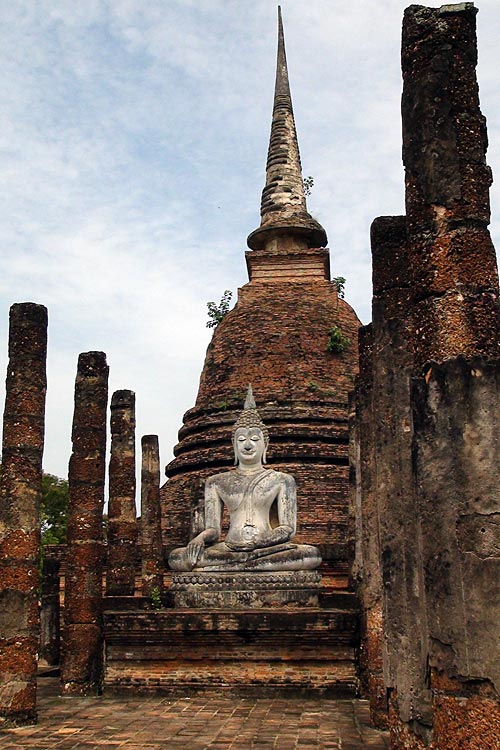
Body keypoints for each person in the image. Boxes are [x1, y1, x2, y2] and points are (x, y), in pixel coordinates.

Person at [168, 386, 321, 572]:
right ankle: (247, 566)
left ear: (265, 445)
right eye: (241, 440)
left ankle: (225, 569)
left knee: (310, 555)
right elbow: (214, 531)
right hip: (230, 547)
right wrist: (199, 538)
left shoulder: (282, 480)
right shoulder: (216, 482)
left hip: (267, 548)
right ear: (234, 444)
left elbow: (288, 528)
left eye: (255, 439)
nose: (248, 445)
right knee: (177, 557)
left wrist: (261, 542)